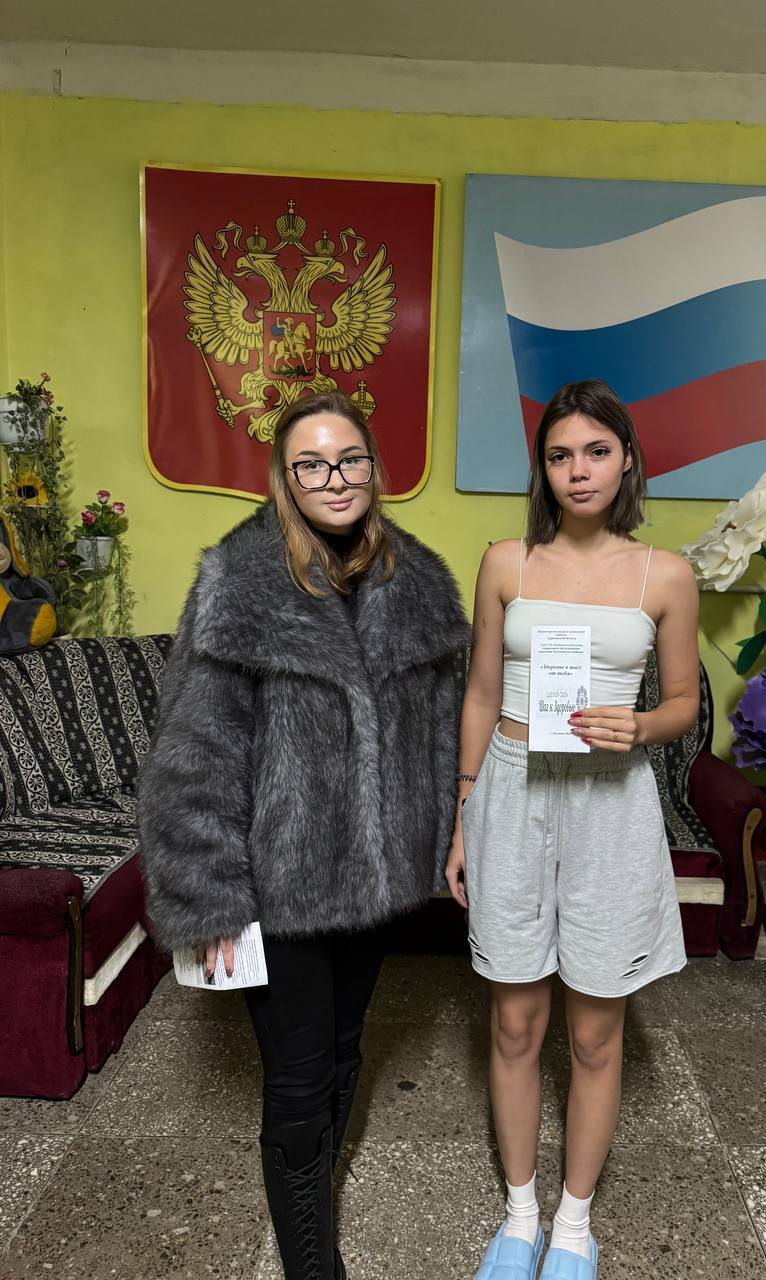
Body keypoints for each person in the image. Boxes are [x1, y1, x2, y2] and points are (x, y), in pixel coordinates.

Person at [139, 390, 470, 1280]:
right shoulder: (239, 581)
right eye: (312, 463)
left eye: (350, 459)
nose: (335, 478)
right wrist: (208, 893)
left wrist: (452, 828)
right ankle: (312, 1268)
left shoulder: (419, 582)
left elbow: (446, 729)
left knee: (345, 1049)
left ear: (374, 467)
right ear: (285, 477)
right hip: (274, 882)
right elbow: (194, 751)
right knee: (296, 1079)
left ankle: (316, 1204)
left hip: (376, 878)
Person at [446, 379, 700, 1280]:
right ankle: (519, 1217)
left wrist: (643, 724)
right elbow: (481, 694)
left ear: (626, 460)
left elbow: (681, 702)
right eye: (559, 455)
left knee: (595, 1032)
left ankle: (573, 1226)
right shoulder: (505, 563)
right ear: (543, 469)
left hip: (610, 801)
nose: (578, 470)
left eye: (596, 451)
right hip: (512, 789)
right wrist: (464, 814)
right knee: (516, 1023)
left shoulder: (665, 575)